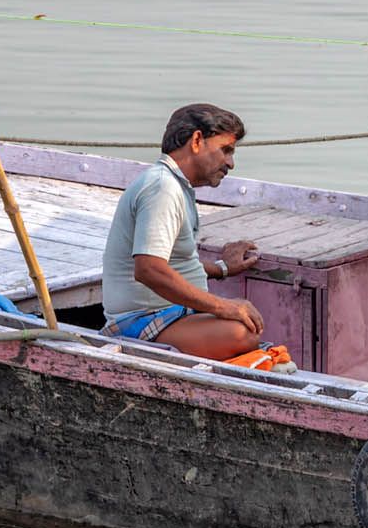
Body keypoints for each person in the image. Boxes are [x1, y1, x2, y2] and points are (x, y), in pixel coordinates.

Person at [100, 104, 268, 360]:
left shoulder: (174, 185)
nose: (231, 163)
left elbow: (171, 262)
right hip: (141, 321)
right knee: (242, 332)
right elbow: (149, 269)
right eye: (226, 150)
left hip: (169, 314)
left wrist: (222, 268)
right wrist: (224, 307)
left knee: (246, 325)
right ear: (197, 140)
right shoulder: (162, 188)